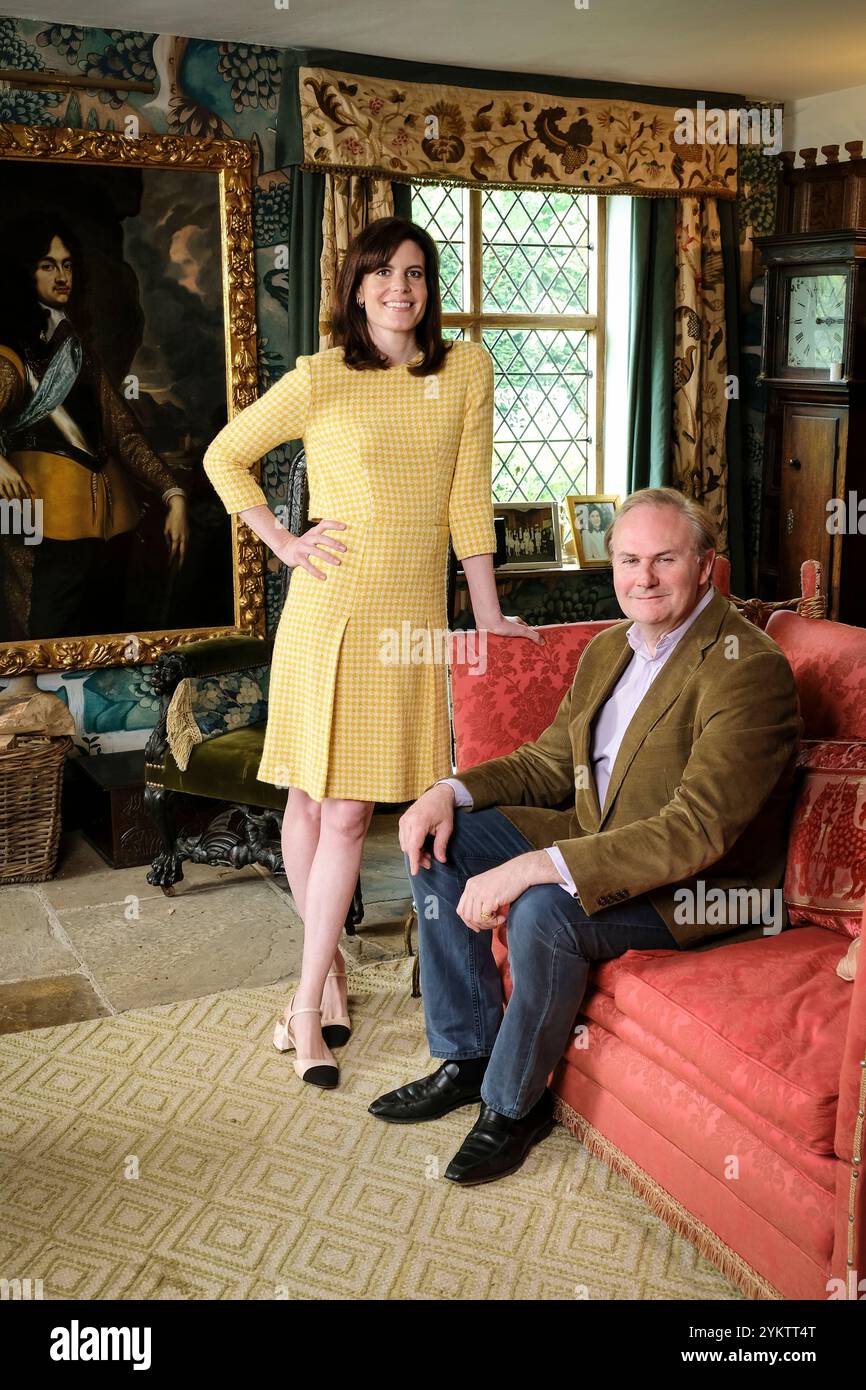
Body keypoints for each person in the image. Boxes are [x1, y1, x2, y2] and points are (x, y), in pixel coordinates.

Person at [373, 487, 800, 1187]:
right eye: (629, 560)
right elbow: (549, 762)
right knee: (444, 842)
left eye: (665, 559)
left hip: (705, 890)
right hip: (599, 831)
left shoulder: (745, 669)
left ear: (706, 566)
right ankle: (470, 1053)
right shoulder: (611, 647)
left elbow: (696, 831)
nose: (645, 577)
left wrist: (539, 867)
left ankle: (514, 1106)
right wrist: (447, 790)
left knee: (545, 910)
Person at [202, 215, 541, 1091]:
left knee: (345, 814)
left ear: (430, 289)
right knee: (317, 806)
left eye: (418, 273)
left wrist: (491, 612)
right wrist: (282, 542)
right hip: (327, 615)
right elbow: (223, 455)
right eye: (384, 273)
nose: (403, 286)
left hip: (410, 624)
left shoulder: (466, 369)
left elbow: (472, 501)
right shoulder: (321, 377)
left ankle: (309, 992)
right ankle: (313, 1002)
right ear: (355, 288)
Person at [0, 213, 189, 641]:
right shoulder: (9, 356)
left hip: (108, 529)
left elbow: (123, 433)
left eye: (67, 264)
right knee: (45, 643)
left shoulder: (78, 349)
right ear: (24, 271)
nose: (62, 275)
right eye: (48, 265)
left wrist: (172, 492)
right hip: (42, 525)